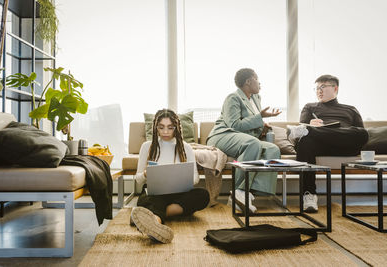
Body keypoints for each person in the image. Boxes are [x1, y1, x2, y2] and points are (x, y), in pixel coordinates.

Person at [287, 74, 368, 213]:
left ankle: (309, 131)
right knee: (305, 141)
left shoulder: (350, 109)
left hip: (345, 145)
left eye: (323, 86)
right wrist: (310, 124)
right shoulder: (310, 107)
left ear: (335, 88)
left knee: (362, 133)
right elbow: (302, 127)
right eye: (317, 88)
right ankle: (309, 195)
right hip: (320, 145)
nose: (319, 90)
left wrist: (310, 129)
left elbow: (359, 133)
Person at [206, 68, 281, 213]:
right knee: (252, 143)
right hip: (222, 135)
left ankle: (247, 193)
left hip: (243, 139)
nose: (260, 84)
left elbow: (251, 127)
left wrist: (263, 127)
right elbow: (234, 125)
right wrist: (260, 118)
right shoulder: (233, 98)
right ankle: (239, 191)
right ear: (248, 81)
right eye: (257, 79)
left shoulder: (256, 99)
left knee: (273, 149)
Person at [130, 109, 209, 243]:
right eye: (161, 127)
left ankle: (149, 217)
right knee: (146, 199)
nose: (165, 132)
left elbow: (196, 178)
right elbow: (138, 180)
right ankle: (156, 222)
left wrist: (182, 176)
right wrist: (145, 174)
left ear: (176, 128)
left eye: (170, 127)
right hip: (155, 194)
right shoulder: (147, 146)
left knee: (203, 195)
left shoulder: (186, 148)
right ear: (156, 128)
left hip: (179, 194)